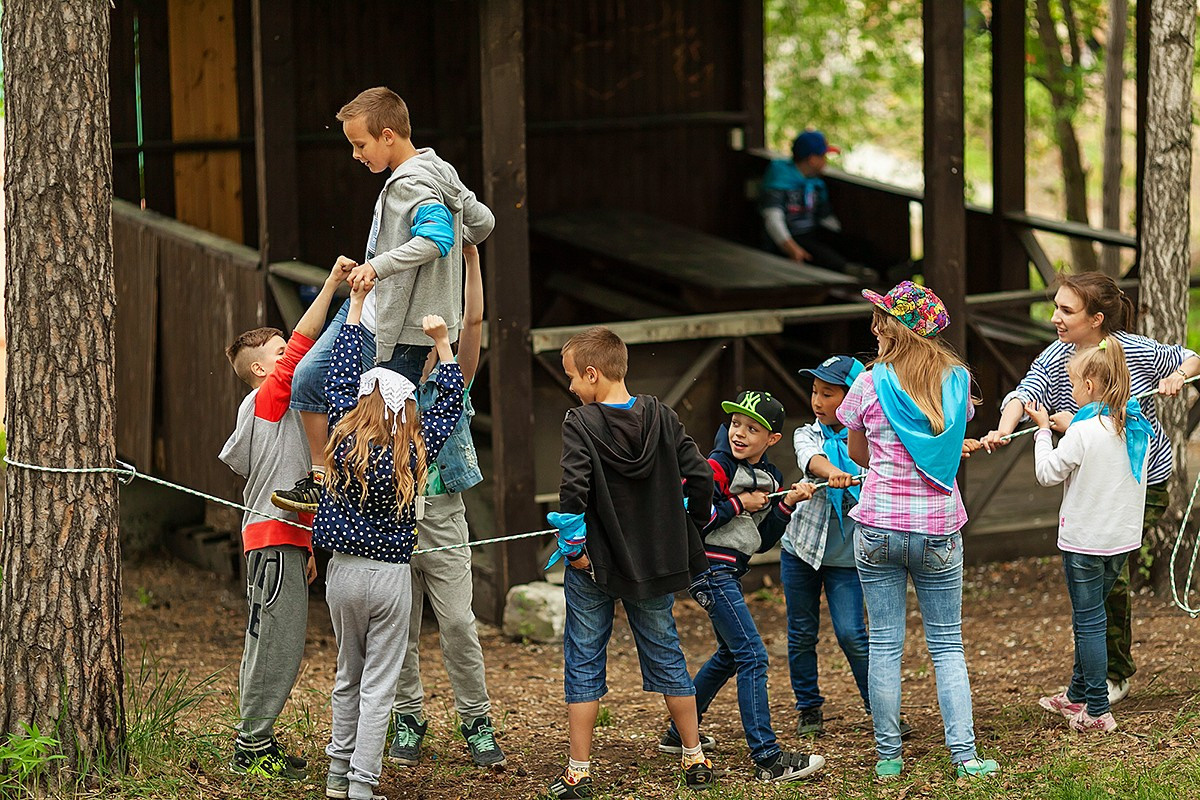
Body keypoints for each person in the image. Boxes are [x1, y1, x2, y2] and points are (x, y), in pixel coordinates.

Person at [980, 272, 1200, 706]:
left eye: (1066, 310)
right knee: (1097, 589)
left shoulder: (1133, 349)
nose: (1054, 317)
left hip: (1143, 483)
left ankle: (1108, 678)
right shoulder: (1055, 357)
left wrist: (1179, 375)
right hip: (1095, 485)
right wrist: (1003, 429)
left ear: (1096, 318)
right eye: (1056, 307)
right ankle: (1088, 682)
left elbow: (1190, 356)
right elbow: (1022, 396)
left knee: (1105, 584)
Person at [274, 86, 495, 514]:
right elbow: (482, 221)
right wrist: (460, 213)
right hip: (369, 307)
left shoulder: (412, 183)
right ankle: (324, 478)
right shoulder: (437, 170)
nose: (356, 155)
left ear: (388, 135)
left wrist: (379, 267)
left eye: (360, 144)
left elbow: (438, 237)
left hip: (393, 328)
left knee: (374, 418)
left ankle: (359, 500)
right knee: (310, 380)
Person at [838, 281, 999, 781]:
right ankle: (965, 756)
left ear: (895, 326)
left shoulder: (867, 383)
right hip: (937, 527)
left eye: (881, 316)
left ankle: (888, 756)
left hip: (879, 523)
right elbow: (949, 447)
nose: (873, 324)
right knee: (947, 645)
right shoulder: (955, 379)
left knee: (885, 644)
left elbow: (857, 454)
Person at [547, 326, 717, 798]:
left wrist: (574, 550)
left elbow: (572, 491)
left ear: (592, 373)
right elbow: (699, 475)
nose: (571, 388)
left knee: (583, 658)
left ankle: (578, 771)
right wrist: (690, 527)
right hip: (654, 564)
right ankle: (694, 757)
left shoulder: (580, 423)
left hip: (596, 565)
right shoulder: (661, 415)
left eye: (572, 378)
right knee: (667, 653)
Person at [315, 283, 465, 800]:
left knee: (347, 675)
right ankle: (361, 785)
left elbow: (338, 372)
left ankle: (336, 777)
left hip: (342, 574)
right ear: (406, 411)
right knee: (381, 683)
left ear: (361, 403)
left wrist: (355, 307)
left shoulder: (340, 434)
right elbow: (450, 404)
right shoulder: (415, 451)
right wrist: (443, 343)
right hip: (390, 578)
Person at [219, 259, 350, 780]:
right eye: (279, 355)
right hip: (274, 540)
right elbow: (304, 340)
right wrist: (333, 287)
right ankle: (252, 746)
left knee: (267, 637)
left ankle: (254, 740)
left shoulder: (279, 409)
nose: (292, 357)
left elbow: (295, 478)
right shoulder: (269, 399)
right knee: (277, 643)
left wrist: (308, 546)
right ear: (261, 369)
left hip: (281, 541)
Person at [663, 390, 826, 784]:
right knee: (753, 655)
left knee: (733, 654)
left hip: (730, 571)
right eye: (736, 424)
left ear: (772, 440)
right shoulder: (714, 468)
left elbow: (759, 538)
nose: (740, 433)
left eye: (753, 429)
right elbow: (690, 517)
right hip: (709, 570)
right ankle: (768, 758)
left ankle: (676, 733)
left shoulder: (771, 477)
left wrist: (787, 505)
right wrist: (739, 504)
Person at [386, 245, 504, 768]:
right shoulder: (382, 385)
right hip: (389, 517)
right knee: (401, 625)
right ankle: (408, 717)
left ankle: (476, 720)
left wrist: (472, 260)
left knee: (458, 621)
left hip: (442, 513)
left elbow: (474, 318)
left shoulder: (454, 377)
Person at [1027, 337, 1152, 733]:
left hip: (1085, 542)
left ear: (1092, 386)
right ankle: (1078, 692)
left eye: (1075, 385)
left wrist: (1043, 432)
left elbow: (1047, 473)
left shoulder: (1084, 431)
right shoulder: (1136, 428)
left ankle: (1097, 709)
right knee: (1093, 617)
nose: (1073, 391)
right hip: (1121, 540)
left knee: (1089, 622)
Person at [783, 355, 909, 739]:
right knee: (801, 633)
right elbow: (812, 459)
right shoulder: (808, 433)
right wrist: (834, 473)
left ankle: (881, 708)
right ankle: (808, 707)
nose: (818, 401)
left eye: (828, 393)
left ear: (854, 397)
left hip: (848, 560)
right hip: (801, 552)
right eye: (815, 392)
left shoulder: (873, 441)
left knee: (852, 633)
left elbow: (891, 468)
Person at [759, 129, 900, 284]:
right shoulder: (779, 179)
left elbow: (825, 217)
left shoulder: (814, 182)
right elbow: (773, 220)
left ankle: (892, 268)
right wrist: (791, 248)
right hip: (789, 238)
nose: (826, 161)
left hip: (812, 231)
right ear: (813, 159)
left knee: (854, 244)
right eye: (823, 156)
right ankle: (853, 273)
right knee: (819, 253)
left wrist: (839, 240)